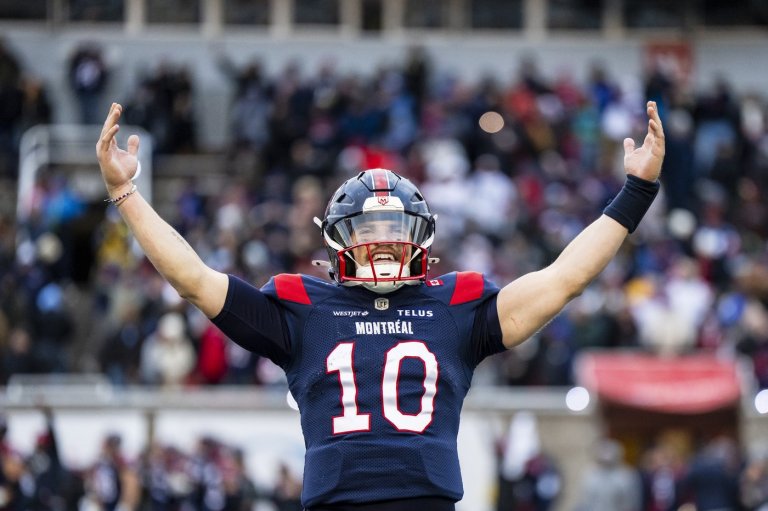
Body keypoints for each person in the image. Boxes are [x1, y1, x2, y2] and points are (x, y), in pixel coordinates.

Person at [95, 99, 665, 510]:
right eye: (370, 229)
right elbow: (195, 280)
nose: (384, 242)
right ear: (338, 237)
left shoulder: (457, 305)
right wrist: (126, 194)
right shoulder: (301, 305)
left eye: (396, 228)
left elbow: (563, 279)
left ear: (421, 236)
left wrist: (636, 191)